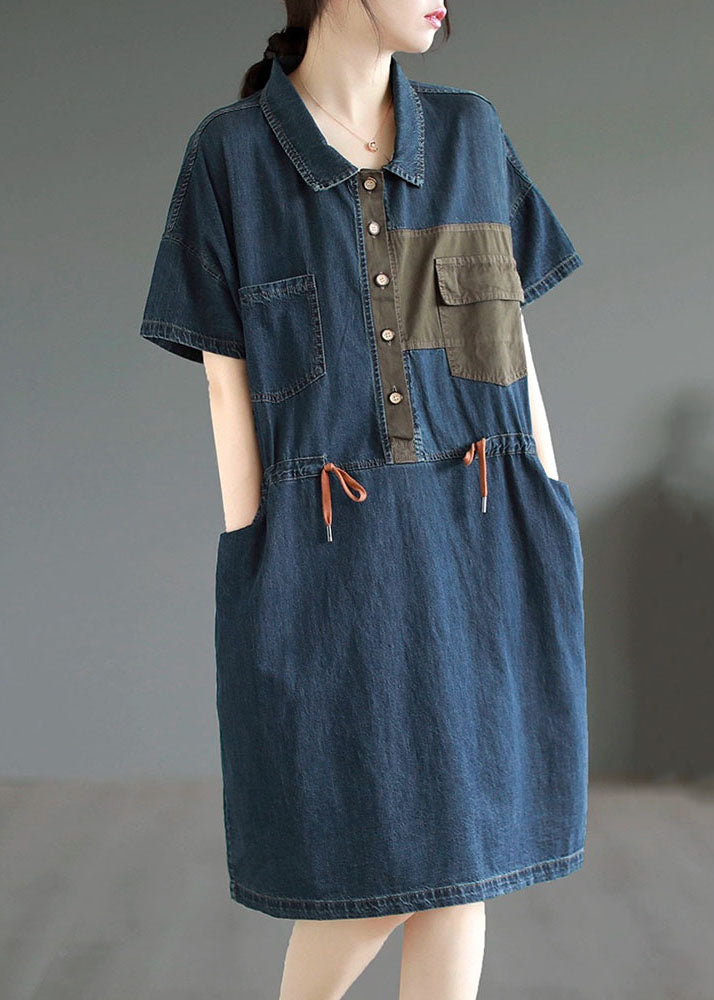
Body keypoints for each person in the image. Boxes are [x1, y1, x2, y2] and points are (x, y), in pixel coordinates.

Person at [138, 2, 588, 997]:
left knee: (464, 859)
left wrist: (549, 501)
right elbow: (225, 384)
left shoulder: (469, 132)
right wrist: (255, 551)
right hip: (326, 548)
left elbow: (511, 344)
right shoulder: (232, 154)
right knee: (371, 866)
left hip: (484, 524)